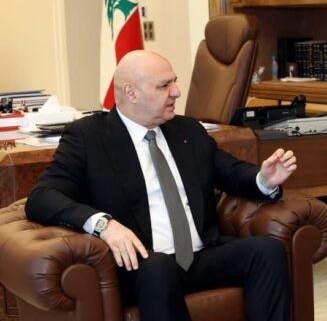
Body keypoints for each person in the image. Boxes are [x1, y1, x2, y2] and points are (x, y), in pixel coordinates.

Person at [25, 50, 296, 321]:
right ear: (131, 93)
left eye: (174, 82)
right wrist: (104, 225)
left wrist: (264, 179)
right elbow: (42, 196)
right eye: (164, 85)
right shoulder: (88, 137)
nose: (177, 92)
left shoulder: (187, 130)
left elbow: (231, 172)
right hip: (142, 264)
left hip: (199, 254)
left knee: (267, 251)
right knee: (159, 267)